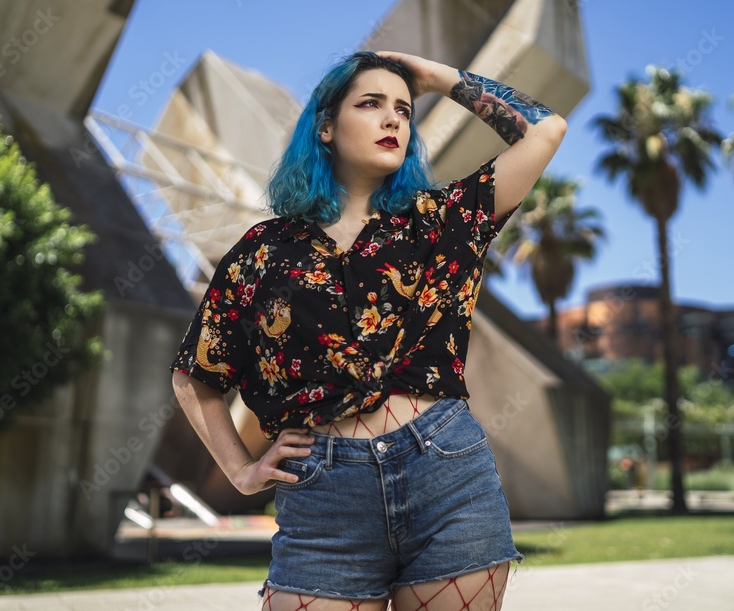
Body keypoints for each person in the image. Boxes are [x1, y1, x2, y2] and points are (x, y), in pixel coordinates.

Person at [170, 50, 567, 610]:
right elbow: (197, 375)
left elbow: (546, 129)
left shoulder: (444, 218)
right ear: (326, 126)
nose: (393, 119)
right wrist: (240, 470)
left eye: (404, 110)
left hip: (447, 478)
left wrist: (438, 79)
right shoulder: (263, 251)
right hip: (322, 494)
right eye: (371, 104)